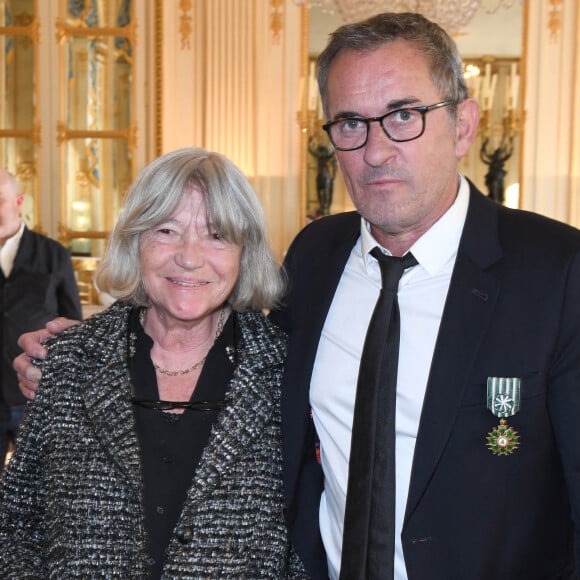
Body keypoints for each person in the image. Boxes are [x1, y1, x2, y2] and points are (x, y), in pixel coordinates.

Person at [13, 12, 580, 580]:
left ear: (463, 124)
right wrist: (72, 356)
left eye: (404, 115)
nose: (376, 151)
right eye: (351, 123)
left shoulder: (557, 273)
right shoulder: (314, 259)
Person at [0, 147, 308, 578]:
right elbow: (16, 525)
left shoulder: (288, 370)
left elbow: (311, 539)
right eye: (166, 230)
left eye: (216, 235)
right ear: (135, 241)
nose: (189, 256)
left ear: (245, 251)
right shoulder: (70, 360)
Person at [0, 168, 81, 470]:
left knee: (36, 493)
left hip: (33, 398)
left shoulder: (54, 254)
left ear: (19, 201)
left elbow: (71, 323)